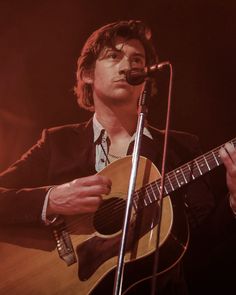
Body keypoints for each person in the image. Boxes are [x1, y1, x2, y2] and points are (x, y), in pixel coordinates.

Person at [0, 20, 235, 295]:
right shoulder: (57, 142)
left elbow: (199, 247)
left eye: (137, 60)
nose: (128, 66)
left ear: (146, 77)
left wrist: (233, 204)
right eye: (114, 56)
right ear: (87, 73)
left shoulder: (180, 148)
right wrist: (51, 199)